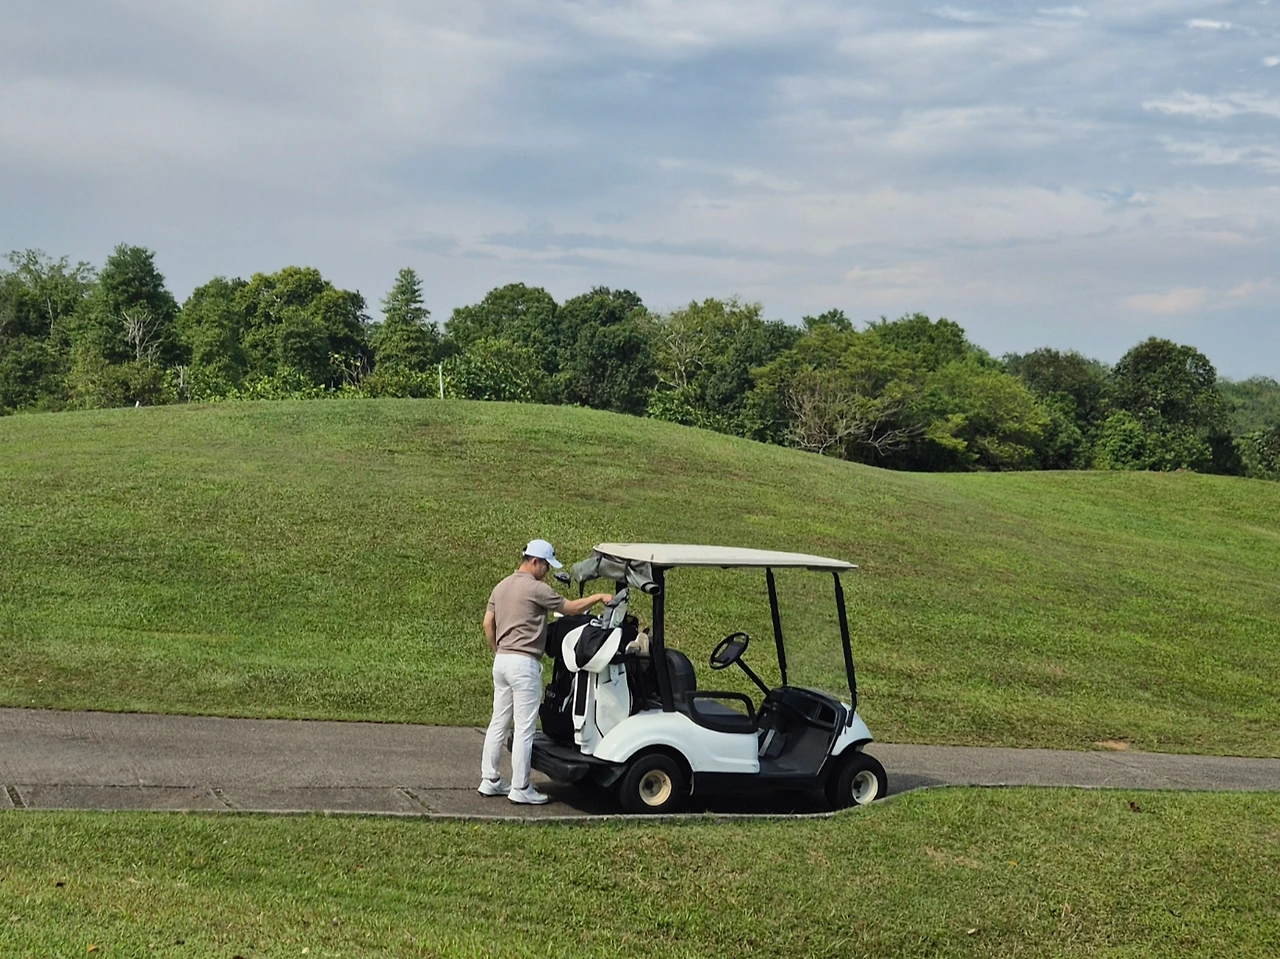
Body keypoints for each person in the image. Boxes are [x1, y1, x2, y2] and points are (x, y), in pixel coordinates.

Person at [479, 539, 611, 804]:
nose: (547, 571)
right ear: (534, 562)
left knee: (498, 722)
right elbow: (569, 608)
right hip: (523, 663)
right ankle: (520, 787)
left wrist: (498, 650)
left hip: (501, 661)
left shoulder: (501, 586)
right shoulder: (536, 588)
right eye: (546, 566)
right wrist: (598, 597)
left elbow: (487, 623)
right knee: (524, 728)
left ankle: (489, 779)